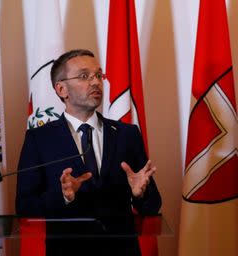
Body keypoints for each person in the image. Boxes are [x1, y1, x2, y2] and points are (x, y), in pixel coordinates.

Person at [16, 49, 161, 256]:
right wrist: (64, 197)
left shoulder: (127, 134)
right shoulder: (39, 139)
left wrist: (140, 194)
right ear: (61, 89)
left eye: (98, 75)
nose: (95, 82)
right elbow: (24, 206)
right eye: (85, 76)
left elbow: (153, 205)